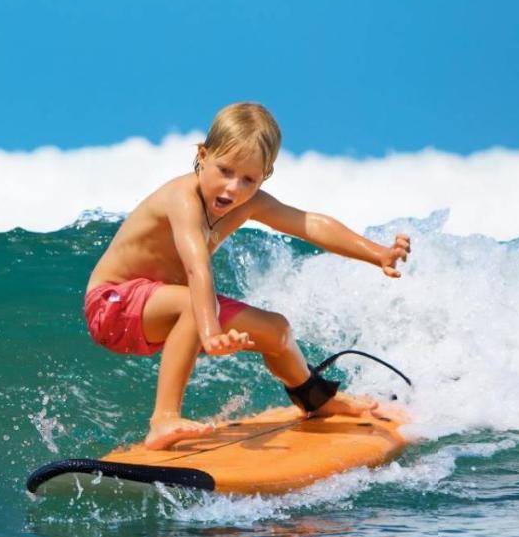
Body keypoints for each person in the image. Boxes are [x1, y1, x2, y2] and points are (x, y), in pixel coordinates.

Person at [84, 102, 412, 450]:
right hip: (112, 305)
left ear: (265, 176)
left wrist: (377, 253)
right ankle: (163, 419)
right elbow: (197, 267)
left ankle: (316, 399)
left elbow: (310, 224)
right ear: (202, 155)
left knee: (277, 331)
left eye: (248, 179)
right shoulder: (182, 198)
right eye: (224, 170)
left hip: (167, 304)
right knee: (196, 303)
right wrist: (210, 331)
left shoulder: (249, 203)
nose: (233, 189)